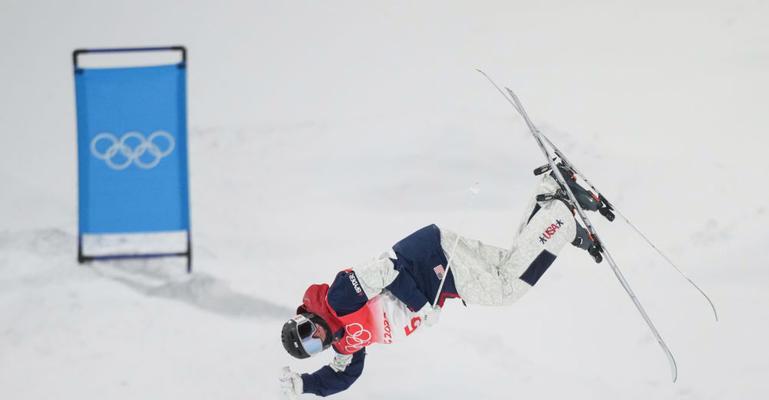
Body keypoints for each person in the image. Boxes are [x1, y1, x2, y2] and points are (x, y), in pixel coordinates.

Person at [279, 168, 600, 398]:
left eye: (307, 331)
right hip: (434, 264)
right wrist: (305, 386)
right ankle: (550, 195)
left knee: (506, 288)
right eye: (311, 346)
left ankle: (560, 219)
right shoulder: (343, 342)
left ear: (305, 317)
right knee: (508, 266)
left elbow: (386, 269)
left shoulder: (338, 299)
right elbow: (343, 375)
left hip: (429, 261)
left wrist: (419, 305)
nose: (316, 337)